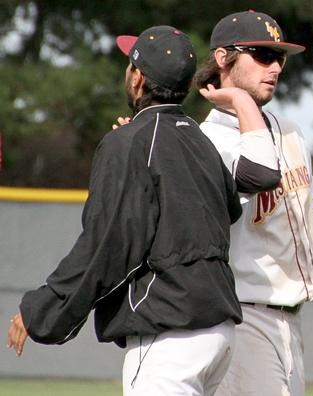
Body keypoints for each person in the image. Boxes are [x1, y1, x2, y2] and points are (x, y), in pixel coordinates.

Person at [6, 25, 244, 396]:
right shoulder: (200, 140)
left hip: (170, 335)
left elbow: (106, 246)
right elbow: (230, 210)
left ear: (138, 79)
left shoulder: (130, 142)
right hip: (220, 332)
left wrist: (42, 310)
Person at [195, 10, 313, 396]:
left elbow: (305, 212)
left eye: (279, 58)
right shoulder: (209, 143)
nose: (274, 67)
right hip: (243, 317)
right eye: (262, 54)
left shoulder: (289, 131)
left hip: (290, 322)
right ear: (223, 58)